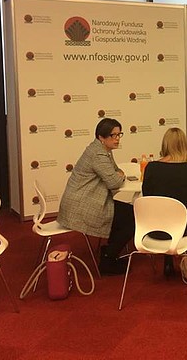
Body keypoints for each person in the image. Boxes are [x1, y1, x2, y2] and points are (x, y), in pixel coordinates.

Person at [57, 118, 131, 276]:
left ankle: (109, 252)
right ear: (101, 137)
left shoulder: (102, 149)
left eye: (119, 134)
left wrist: (118, 174)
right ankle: (108, 260)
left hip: (87, 200)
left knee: (128, 214)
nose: (117, 139)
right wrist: (120, 175)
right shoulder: (98, 154)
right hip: (82, 206)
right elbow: (114, 181)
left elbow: (116, 171)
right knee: (131, 219)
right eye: (113, 135)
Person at [142, 127, 187, 278]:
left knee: (166, 214)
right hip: (184, 229)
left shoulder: (151, 168)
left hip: (154, 229)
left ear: (165, 144)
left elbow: (147, 195)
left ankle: (168, 261)